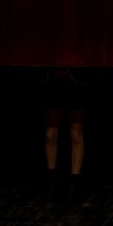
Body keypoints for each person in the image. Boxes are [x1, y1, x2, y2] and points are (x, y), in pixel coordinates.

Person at [40, 67, 90, 198]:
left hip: (77, 81)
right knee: (50, 134)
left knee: (76, 133)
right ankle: (52, 182)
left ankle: (74, 184)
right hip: (54, 80)